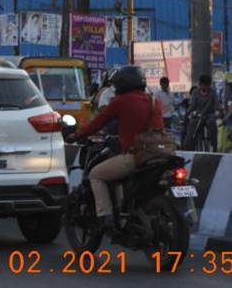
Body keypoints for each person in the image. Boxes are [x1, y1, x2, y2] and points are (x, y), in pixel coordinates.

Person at [66, 66, 163, 230]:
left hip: (135, 156)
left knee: (95, 174)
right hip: (159, 155)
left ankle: (106, 216)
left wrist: (75, 135)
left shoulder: (120, 101)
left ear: (123, 84)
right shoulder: (155, 101)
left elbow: (97, 123)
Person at [183, 74, 221, 151]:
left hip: (209, 116)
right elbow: (192, 106)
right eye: (203, 85)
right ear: (200, 84)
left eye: (208, 85)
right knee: (192, 129)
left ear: (209, 85)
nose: (205, 87)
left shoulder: (213, 92)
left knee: (213, 125)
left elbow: (217, 105)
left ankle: (214, 147)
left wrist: (219, 111)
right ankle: (189, 149)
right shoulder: (195, 92)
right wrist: (188, 114)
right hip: (198, 116)